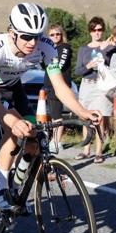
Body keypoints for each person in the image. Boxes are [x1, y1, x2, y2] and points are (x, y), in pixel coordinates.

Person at [0, 3, 101, 211]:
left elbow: (60, 87)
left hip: (12, 85)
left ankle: (15, 186)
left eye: (36, 35)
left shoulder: (45, 46)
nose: (32, 42)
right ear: (12, 32)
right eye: (26, 36)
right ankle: (1, 188)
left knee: (34, 139)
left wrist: (83, 112)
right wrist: (12, 121)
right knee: (13, 129)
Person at [75, 17, 116, 163]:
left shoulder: (108, 47)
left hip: (101, 85)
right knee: (85, 118)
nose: (97, 32)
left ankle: (99, 152)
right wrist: (89, 65)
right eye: (94, 30)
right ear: (90, 31)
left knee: (99, 120)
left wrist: (113, 46)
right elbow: (78, 71)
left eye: (100, 29)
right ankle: (86, 150)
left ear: (102, 31)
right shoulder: (83, 49)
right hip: (86, 85)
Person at [44, 24, 74, 152]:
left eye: (58, 34)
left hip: (60, 85)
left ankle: (56, 141)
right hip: (50, 85)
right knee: (52, 114)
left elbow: (59, 65)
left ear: (62, 35)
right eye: (52, 34)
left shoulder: (64, 47)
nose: (55, 36)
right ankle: (53, 139)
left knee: (57, 115)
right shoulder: (50, 49)